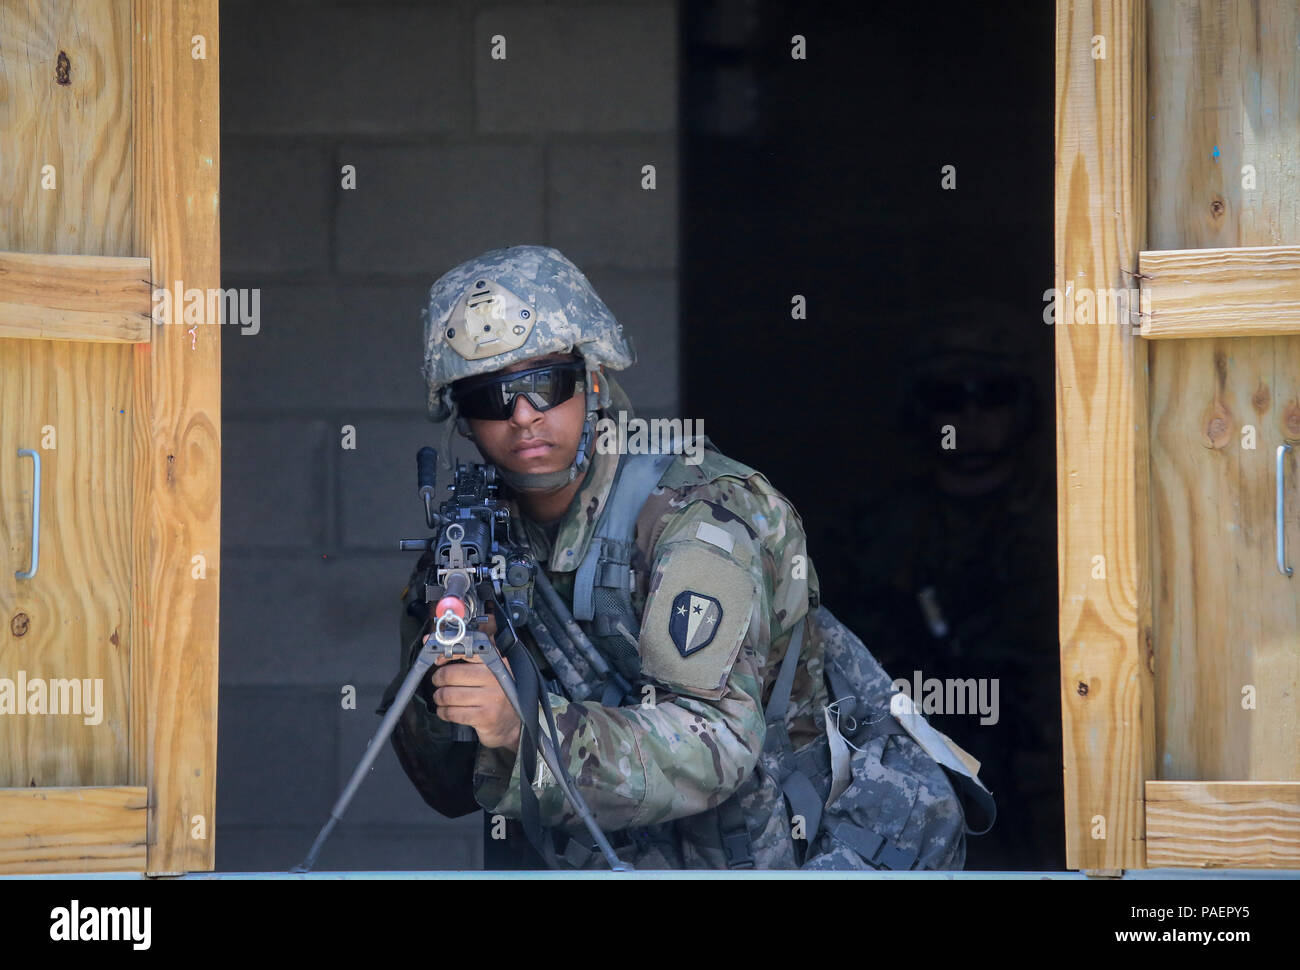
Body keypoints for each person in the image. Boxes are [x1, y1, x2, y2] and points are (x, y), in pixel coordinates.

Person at [378, 244, 827, 869]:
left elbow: (718, 745)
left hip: (754, 851)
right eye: (491, 397)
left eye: (545, 384)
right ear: (464, 418)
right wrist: (447, 689)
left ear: (593, 381)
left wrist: (522, 730)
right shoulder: (470, 542)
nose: (524, 416)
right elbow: (447, 789)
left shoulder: (695, 512)